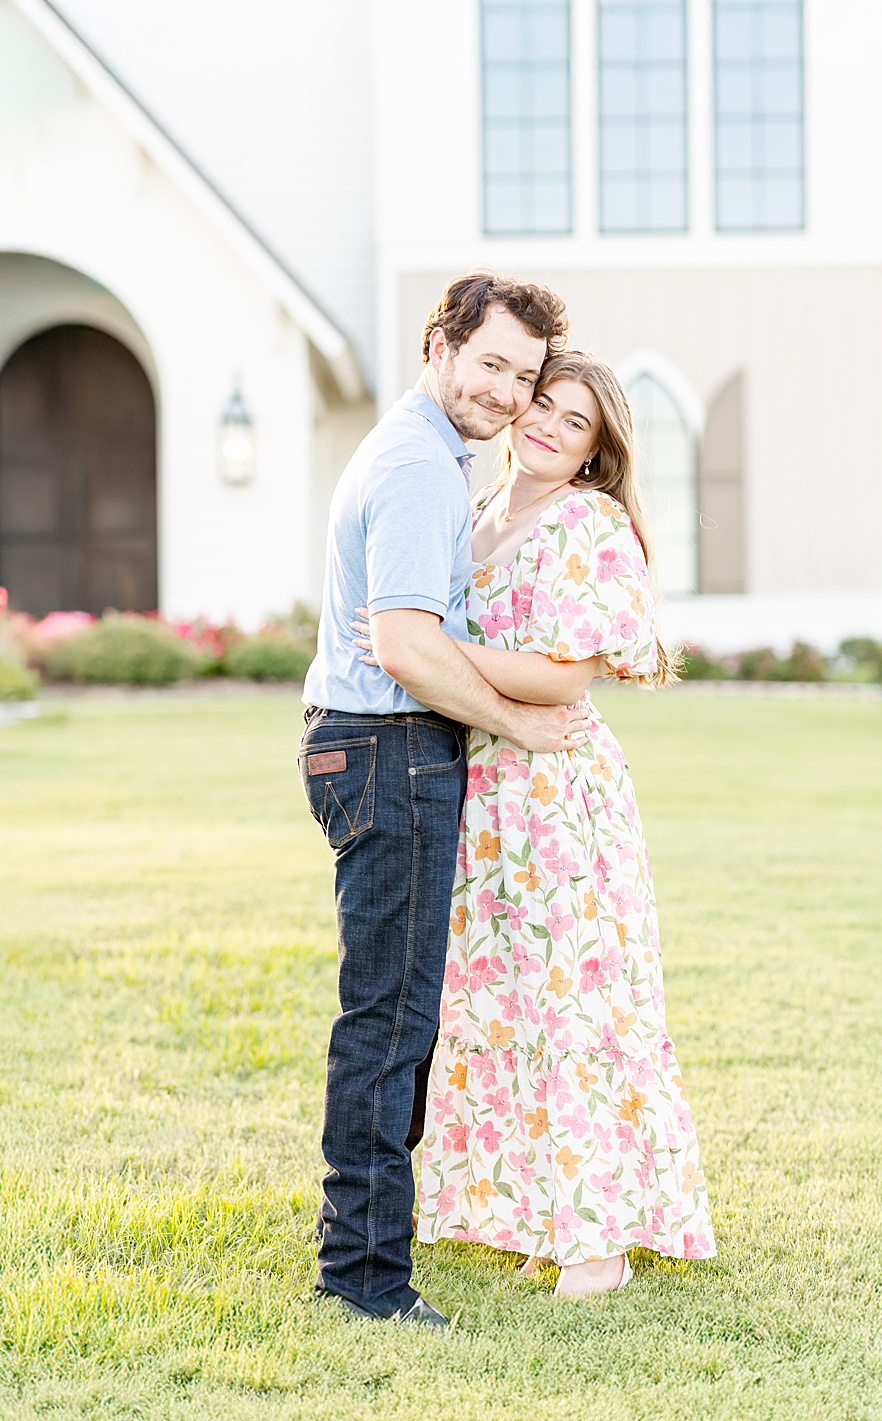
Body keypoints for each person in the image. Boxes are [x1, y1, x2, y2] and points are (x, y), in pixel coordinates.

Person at [391, 350, 717, 1296]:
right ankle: (538, 1210)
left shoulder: (587, 521)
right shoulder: (476, 510)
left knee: (578, 1001)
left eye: (574, 423)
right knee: (501, 999)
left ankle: (600, 1237)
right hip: (481, 786)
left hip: (557, 791)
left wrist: (432, 648)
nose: (547, 426)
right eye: (544, 405)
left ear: (591, 452)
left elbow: (564, 676)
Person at [299, 270, 581, 1325]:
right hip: (389, 748)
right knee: (388, 1021)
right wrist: (519, 720)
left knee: (396, 1011)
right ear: (440, 346)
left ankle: (370, 1243)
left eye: (525, 375)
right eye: (493, 363)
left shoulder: (417, 452)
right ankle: (365, 1277)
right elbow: (407, 643)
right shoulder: (419, 467)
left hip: (372, 747)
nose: (509, 393)